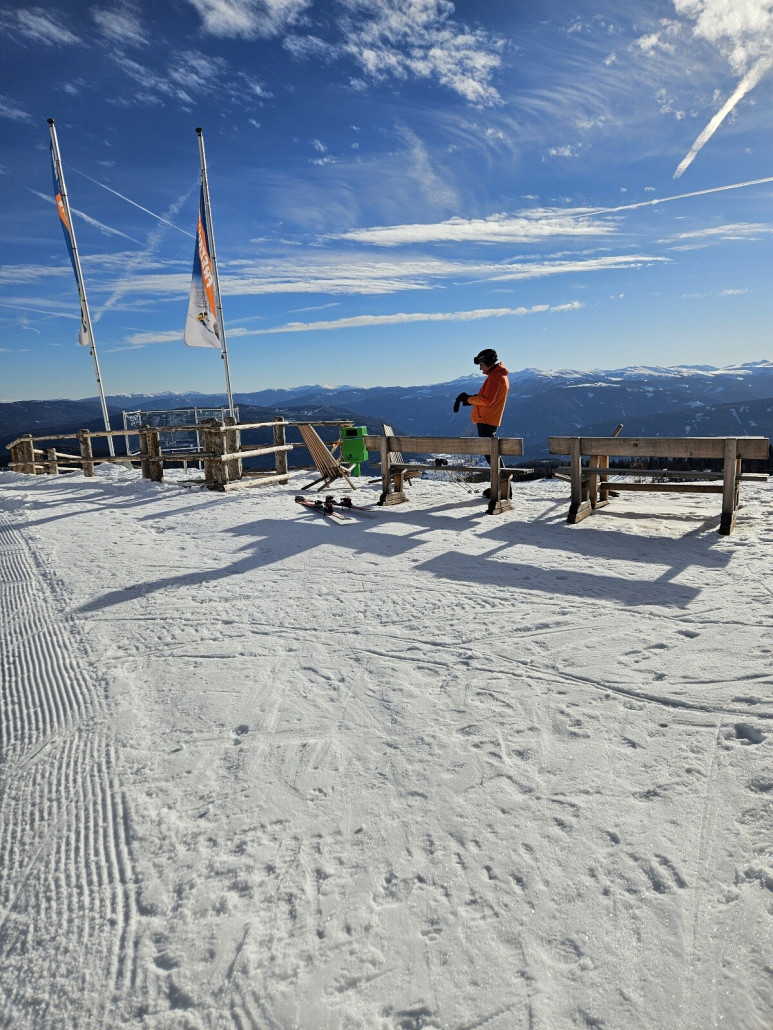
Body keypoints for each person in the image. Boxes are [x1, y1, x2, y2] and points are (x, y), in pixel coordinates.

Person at [453, 349, 510, 496]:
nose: (480, 368)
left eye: (481, 364)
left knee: (491, 455)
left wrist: (468, 399)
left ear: (488, 362)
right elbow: (487, 397)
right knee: (492, 455)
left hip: (486, 420)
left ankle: (503, 489)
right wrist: (470, 399)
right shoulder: (498, 375)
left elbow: (487, 400)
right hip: (489, 419)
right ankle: (501, 488)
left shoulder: (495, 377)